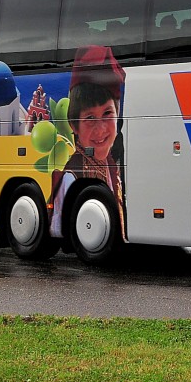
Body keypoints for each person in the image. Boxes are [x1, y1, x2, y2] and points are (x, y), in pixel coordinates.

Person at [49, 46, 126, 238]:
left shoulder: (110, 163)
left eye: (107, 113)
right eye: (90, 118)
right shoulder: (71, 176)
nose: (100, 129)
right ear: (74, 125)